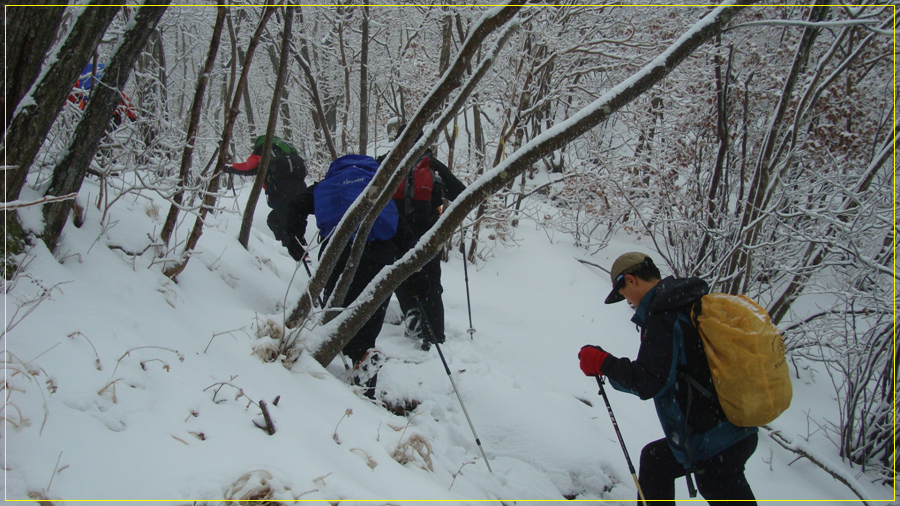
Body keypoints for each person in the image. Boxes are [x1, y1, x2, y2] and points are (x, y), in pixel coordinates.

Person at [578, 252, 758, 505]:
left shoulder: (664, 314)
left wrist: (602, 362)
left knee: (716, 484)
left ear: (631, 280)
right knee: (655, 461)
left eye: (623, 294)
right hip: (731, 427)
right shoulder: (688, 301)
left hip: (714, 441)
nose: (627, 301)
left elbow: (649, 381)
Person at [288, 154, 416, 399]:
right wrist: (417, 276)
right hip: (380, 256)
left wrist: (294, 237)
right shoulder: (378, 187)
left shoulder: (328, 185)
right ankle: (365, 372)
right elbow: (403, 231)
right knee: (368, 317)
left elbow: (296, 206)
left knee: (337, 315)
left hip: (338, 253)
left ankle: (345, 371)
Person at [380, 129, 466, 350]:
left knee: (400, 277)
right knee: (431, 283)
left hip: (395, 232)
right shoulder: (433, 166)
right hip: (427, 234)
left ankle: (414, 320)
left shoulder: (386, 163)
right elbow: (461, 193)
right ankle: (435, 334)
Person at [224, 136, 308, 260]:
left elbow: (248, 167)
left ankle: (295, 256)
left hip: (282, 191)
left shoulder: (263, 151)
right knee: (285, 219)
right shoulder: (288, 152)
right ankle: (300, 250)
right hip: (301, 189)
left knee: (283, 224)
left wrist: (226, 166)